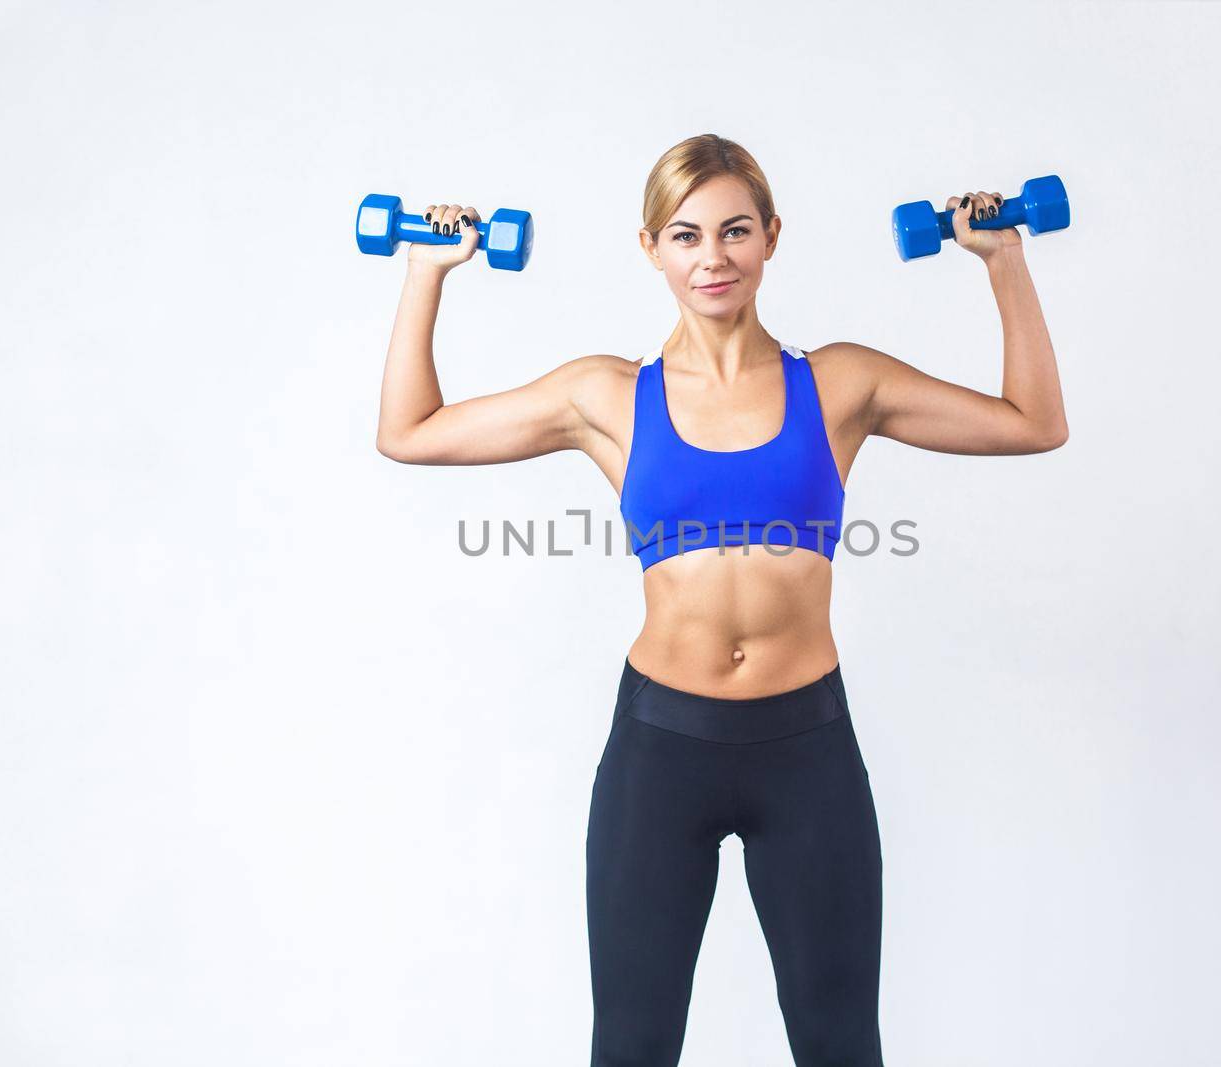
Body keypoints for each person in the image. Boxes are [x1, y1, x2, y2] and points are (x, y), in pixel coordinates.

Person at [373, 133, 1067, 1067]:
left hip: (805, 751)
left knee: (839, 1045)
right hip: (661, 754)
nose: (713, 258)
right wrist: (428, 271)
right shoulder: (608, 396)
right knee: (631, 1046)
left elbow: (1034, 424)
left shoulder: (841, 383)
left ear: (772, 238)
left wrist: (1005, 261)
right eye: (687, 235)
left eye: (735, 231)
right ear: (652, 248)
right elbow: (410, 433)